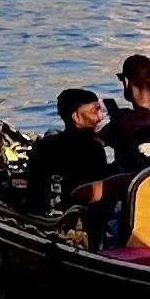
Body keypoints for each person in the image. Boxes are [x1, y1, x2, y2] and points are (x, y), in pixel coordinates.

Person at [30, 88, 118, 230]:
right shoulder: (94, 149)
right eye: (95, 111)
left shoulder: (43, 145)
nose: (100, 117)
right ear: (76, 117)